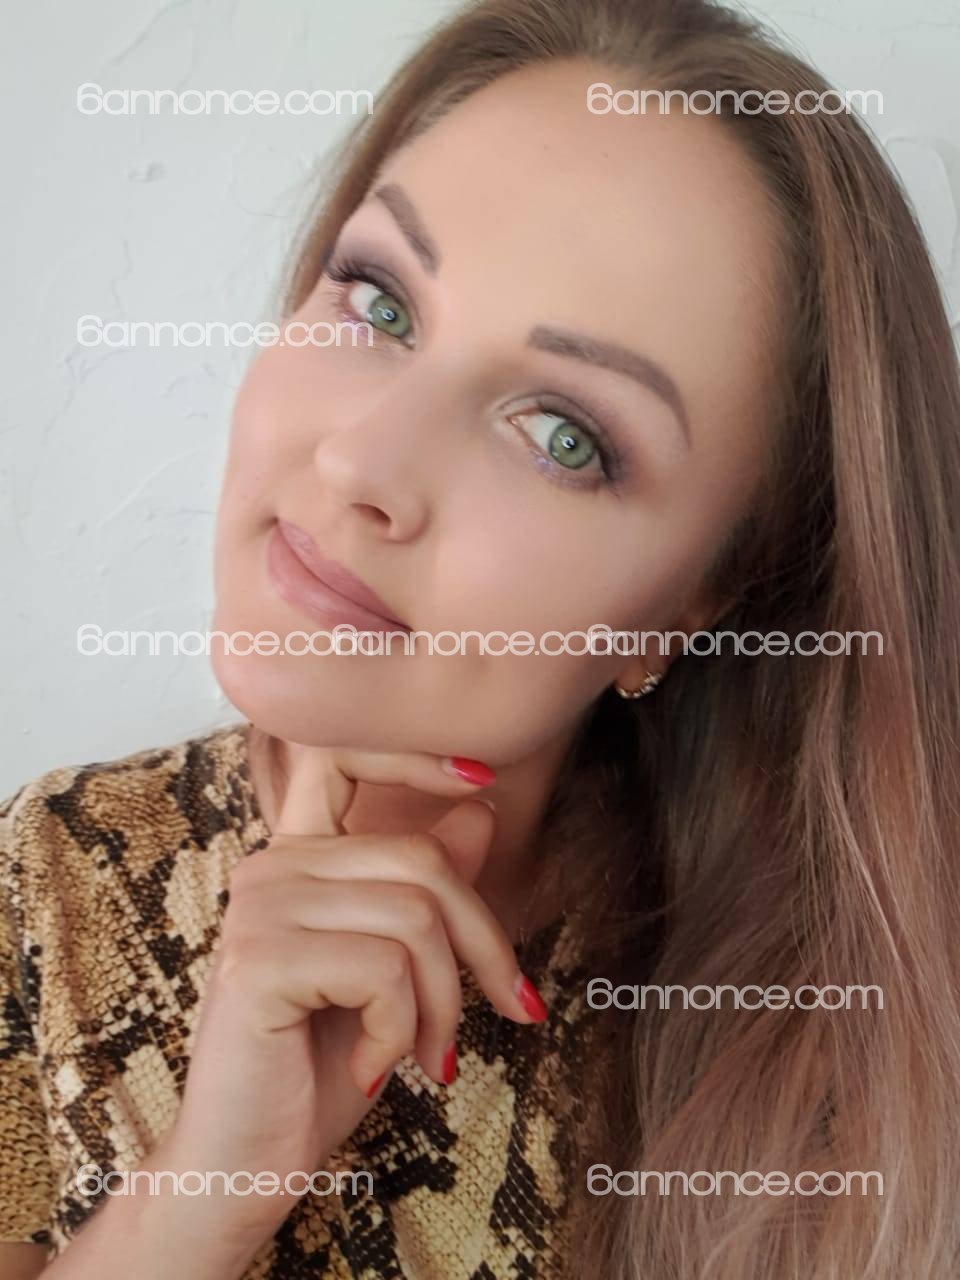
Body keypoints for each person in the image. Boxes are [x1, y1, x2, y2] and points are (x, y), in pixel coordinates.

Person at [3, 0, 960, 1276]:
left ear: (701, 600)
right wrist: (199, 1204)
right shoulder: (42, 888)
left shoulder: (826, 1062)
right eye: (379, 300)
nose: (361, 461)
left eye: (564, 434)